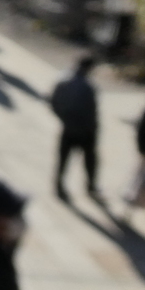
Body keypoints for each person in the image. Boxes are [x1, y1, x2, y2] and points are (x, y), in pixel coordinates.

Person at [50, 56, 100, 201]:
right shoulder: (88, 87)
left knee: (63, 159)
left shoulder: (63, 81)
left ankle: (59, 186)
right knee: (90, 160)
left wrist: (64, 118)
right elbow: (92, 112)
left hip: (68, 127)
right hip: (86, 131)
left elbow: (53, 102)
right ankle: (91, 186)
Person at [123, 103, 145, 210]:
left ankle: (134, 199)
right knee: (141, 176)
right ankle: (133, 199)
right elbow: (142, 131)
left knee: (140, 175)